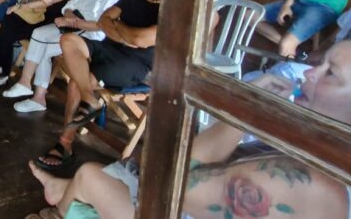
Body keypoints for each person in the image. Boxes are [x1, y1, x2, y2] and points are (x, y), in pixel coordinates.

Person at [28, 39, 351, 219]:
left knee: (90, 175)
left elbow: (168, 180)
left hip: (163, 206)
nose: (308, 74)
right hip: (180, 199)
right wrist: (249, 111)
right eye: (319, 64)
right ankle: (64, 192)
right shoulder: (322, 160)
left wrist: (245, 110)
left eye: (330, 74)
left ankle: (63, 198)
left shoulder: (307, 184)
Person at [36, 0, 165, 171]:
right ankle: (90, 99)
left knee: (77, 80)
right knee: (68, 40)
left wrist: (121, 29)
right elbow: (104, 19)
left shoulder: (170, 8)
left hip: (137, 63)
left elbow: (139, 40)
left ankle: (65, 143)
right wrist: (123, 34)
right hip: (110, 47)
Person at [2, 0, 126, 112]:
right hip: (73, 27)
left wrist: (73, 22)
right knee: (39, 34)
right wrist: (70, 17)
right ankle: (31, 90)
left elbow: (101, 24)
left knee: (42, 43)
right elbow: (70, 5)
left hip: (92, 38)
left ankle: (34, 93)